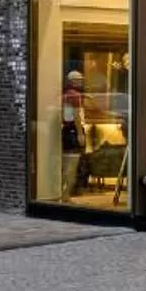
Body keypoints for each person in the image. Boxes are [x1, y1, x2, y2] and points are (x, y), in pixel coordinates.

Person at [59, 69, 86, 199]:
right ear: (73, 81)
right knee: (72, 165)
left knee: (66, 164)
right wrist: (80, 134)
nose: (81, 82)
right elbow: (76, 115)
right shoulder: (75, 95)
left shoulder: (64, 94)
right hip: (73, 130)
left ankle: (62, 193)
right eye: (79, 80)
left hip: (66, 130)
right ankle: (66, 195)